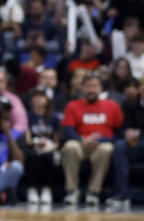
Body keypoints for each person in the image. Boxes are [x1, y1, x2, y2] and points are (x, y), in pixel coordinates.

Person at [60, 73, 124, 207]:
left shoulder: (112, 106)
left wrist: (103, 140)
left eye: (95, 86)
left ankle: (93, 192)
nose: (91, 90)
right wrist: (81, 140)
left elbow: (119, 132)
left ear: (101, 89)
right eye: (88, 86)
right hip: (81, 143)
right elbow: (68, 130)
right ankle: (72, 191)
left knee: (107, 149)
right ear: (82, 88)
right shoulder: (73, 105)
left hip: (102, 144)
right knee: (69, 146)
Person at [107, 78, 144, 209]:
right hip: (136, 144)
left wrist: (139, 133)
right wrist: (126, 132)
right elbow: (122, 126)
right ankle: (122, 193)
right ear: (140, 88)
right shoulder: (129, 103)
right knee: (120, 146)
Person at [23, 90, 60, 205]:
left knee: (50, 156)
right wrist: (37, 144)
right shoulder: (27, 115)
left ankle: (47, 189)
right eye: (36, 96)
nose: (38, 99)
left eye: (42, 96)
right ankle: (31, 189)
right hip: (33, 146)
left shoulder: (54, 117)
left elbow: (57, 141)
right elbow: (27, 140)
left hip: (49, 147)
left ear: (47, 100)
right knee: (31, 156)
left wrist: (49, 146)